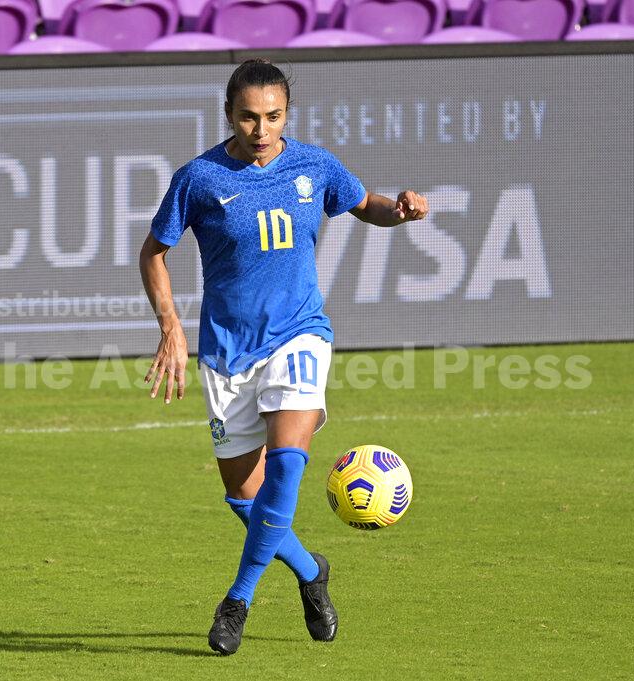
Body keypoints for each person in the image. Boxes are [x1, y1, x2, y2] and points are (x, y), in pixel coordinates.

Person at [139, 59, 429, 655]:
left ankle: (237, 601)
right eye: (249, 117)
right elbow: (153, 253)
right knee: (245, 499)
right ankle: (311, 570)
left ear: (287, 114)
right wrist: (171, 327)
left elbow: (364, 204)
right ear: (229, 115)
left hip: (299, 335)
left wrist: (397, 211)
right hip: (227, 351)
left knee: (287, 466)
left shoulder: (314, 166)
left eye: (273, 116)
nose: (261, 129)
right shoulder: (199, 178)